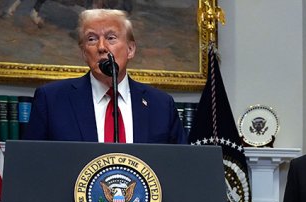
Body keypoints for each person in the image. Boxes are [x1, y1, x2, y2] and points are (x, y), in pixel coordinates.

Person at [24, 8, 186, 144]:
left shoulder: (161, 105)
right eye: (92, 39)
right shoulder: (52, 100)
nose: (102, 47)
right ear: (84, 53)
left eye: (111, 38)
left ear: (130, 49)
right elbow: (32, 166)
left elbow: (180, 167)